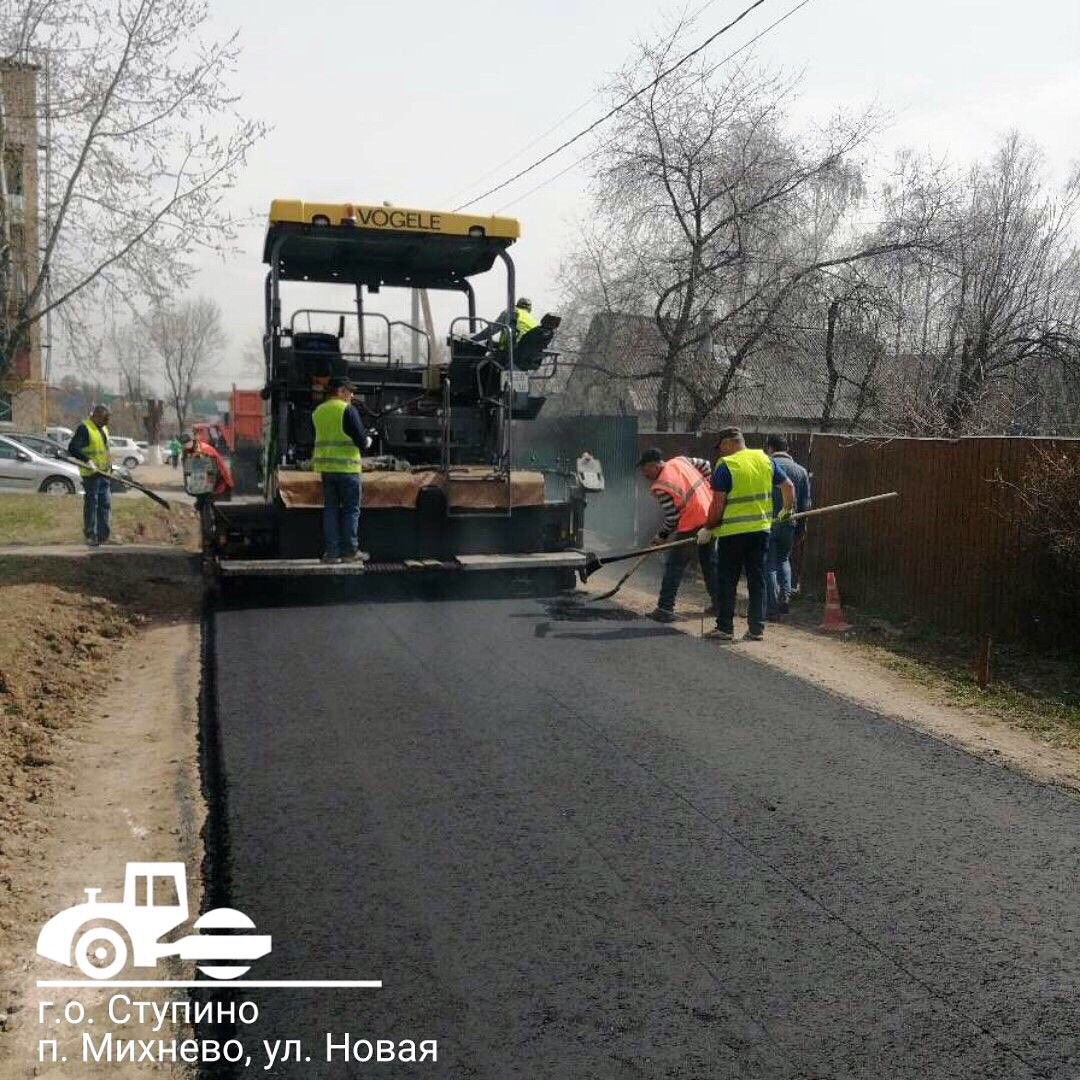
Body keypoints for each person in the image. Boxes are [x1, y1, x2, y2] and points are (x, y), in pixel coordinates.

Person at [700, 427, 794, 642]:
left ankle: (724, 628)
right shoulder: (764, 459)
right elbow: (787, 486)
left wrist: (708, 527)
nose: (720, 452)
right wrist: (786, 511)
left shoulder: (726, 465)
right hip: (760, 532)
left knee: (727, 580)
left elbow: (717, 503)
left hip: (733, 534)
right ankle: (756, 629)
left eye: (721, 447)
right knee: (756, 580)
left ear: (728, 443)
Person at [637, 448, 715, 622]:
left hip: (693, 522)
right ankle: (720, 605)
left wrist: (661, 537)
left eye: (644, 469)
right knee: (709, 564)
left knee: (674, 565)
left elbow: (672, 518)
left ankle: (665, 608)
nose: (643, 474)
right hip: (711, 516)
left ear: (653, 465)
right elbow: (706, 464)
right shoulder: (681, 460)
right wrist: (708, 487)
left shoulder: (660, 486)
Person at [311, 378, 371, 564]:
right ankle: (350, 552)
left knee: (330, 509)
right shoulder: (347, 410)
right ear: (339, 391)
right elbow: (361, 440)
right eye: (349, 391)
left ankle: (331, 553)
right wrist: (368, 441)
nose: (352, 395)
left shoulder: (318, 412)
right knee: (351, 510)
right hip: (348, 469)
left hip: (327, 470)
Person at [764, 434, 811, 619]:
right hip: (790, 523)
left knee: (769, 563)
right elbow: (806, 504)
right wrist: (801, 528)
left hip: (768, 522)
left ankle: (772, 606)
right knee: (784, 560)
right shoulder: (801, 471)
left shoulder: (767, 467)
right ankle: (785, 599)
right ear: (787, 449)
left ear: (769, 448)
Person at [67, 405, 113, 547]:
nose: (105, 424)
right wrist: (87, 460)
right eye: (104, 420)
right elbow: (73, 448)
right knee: (92, 504)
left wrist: (110, 467)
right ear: (97, 416)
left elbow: (105, 449)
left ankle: (103, 536)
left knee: (105, 504)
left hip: (104, 473)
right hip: (91, 474)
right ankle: (90, 535)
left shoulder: (103, 428)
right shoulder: (84, 429)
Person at [181, 431, 234, 545]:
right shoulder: (187, 452)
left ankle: (213, 539)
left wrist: (206, 489)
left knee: (213, 513)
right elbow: (188, 472)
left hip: (219, 485)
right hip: (204, 487)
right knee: (204, 510)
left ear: (192, 441)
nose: (185, 446)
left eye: (187, 443)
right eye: (184, 444)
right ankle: (207, 539)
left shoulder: (205, 451)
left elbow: (213, 473)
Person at [472, 296, 538, 349]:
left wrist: (473, 339)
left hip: (511, 354)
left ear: (517, 305)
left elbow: (493, 329)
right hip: (527, 354)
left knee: (483, 362)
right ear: (530, 309)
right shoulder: (533, 321)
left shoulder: (510, 312)